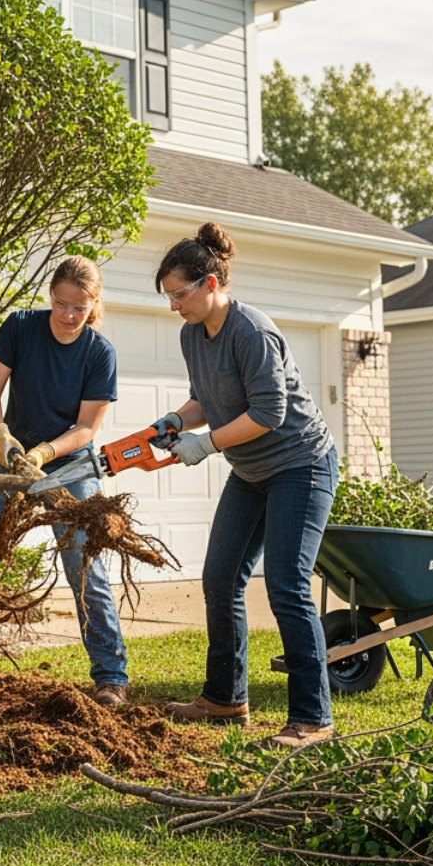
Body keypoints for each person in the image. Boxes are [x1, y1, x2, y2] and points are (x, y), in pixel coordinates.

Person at [152, 222, 338, 749]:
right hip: (253, 472)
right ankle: (225, 698)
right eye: (168, 297)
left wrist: (207, 444)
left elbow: (269, 412)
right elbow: (205, 399)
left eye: (179, 294)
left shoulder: (251, 331)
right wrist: (178, 419)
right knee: (220, 577)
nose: (174, 306)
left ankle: (313, 720)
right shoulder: (192, 334)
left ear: (211, 284)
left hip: (301, 465)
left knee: (286, 585)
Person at [0, 256, 128, 706]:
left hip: (70, 466)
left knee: (84, 566)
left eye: (79, 307)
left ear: (94, 303)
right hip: (11, 458)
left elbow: (86, 429)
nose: (68, 315)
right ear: (51, 296)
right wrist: (0, 437)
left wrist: (45, 453)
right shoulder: (21, 327)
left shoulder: (99, 353)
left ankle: (110, 676)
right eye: (61, 303)